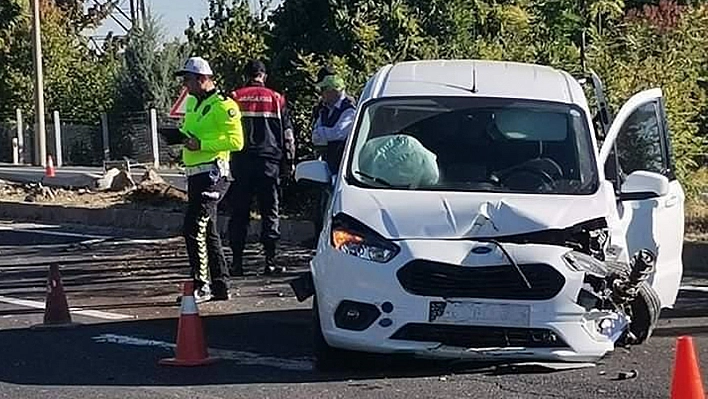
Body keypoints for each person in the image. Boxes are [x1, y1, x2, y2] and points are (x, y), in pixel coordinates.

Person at [173, 56, 244, 303]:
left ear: (204, 79)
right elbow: (191, 132)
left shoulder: (224, 105)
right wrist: (179, 138)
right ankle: (221, 285)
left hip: (214, 174)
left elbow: (237, 141)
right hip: (196, 174)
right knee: (208, 229)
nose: (186, 85)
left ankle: (201, 286)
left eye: (189, 80)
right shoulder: (192, 103)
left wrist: (202, 144)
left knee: (194, 227)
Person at [228, 59, 295, 276]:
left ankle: (237, 263)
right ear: (263, 76)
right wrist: (289, 162)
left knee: (239, 213)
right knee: (270, 211)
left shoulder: (235, 97)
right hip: (269, 163)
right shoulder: (277, 99)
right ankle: (270, 261)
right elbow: (288, 135)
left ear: (246, 75)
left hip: (241, 162)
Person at [311, 72, 356, 176]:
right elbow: (314, 137)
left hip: (342, 168)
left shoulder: (349, 109)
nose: (321, 94)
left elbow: (339, 134)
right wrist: (326, 133)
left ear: (333, 90)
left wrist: (321, 132)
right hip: (327, 166)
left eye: (323, 90)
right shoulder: (324, 110)